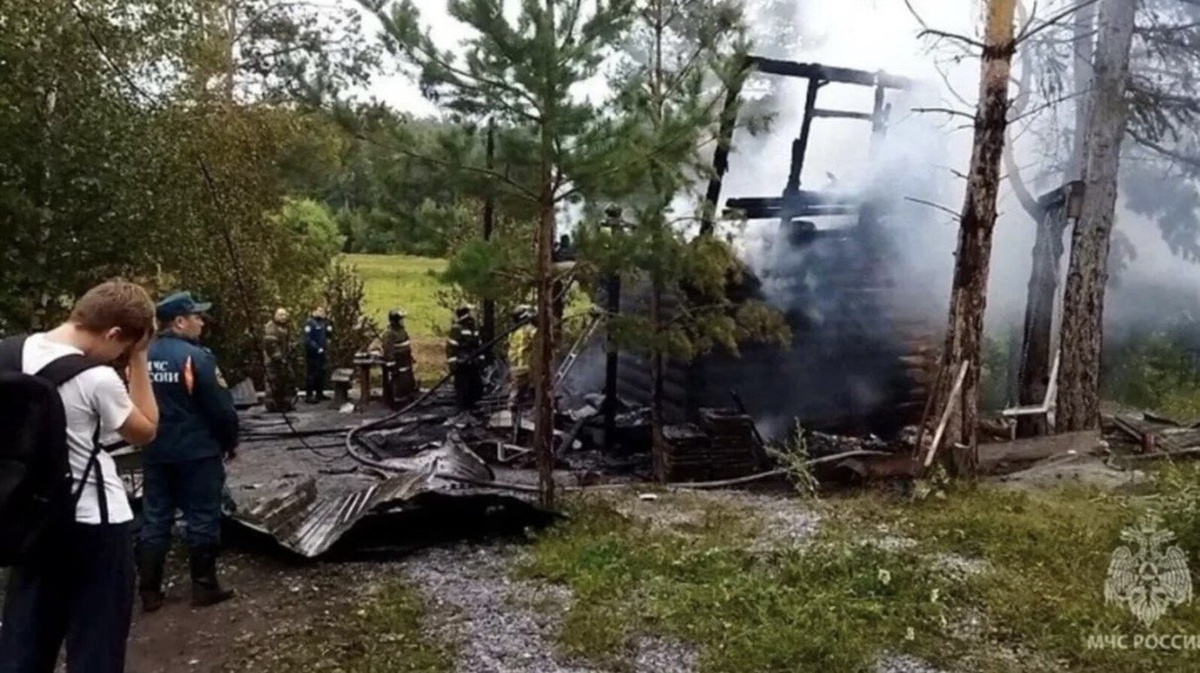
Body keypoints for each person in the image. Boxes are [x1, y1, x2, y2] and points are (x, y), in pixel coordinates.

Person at [0, 280, 159, 673]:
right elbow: (146, 430)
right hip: (95, 524)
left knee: (25, 640)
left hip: (27, 520)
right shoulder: (95, 378)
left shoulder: (6, 354)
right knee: (97, 642)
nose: (117, 356)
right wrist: (138, 361)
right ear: (114, 333)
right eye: (121, 348)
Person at [136, 291, 239, 613]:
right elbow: (221, 409)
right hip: (197, 452)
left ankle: (149, 592)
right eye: (196, 316)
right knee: (203, 516)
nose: (201, 322)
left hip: (155, 450)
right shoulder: (197, 358)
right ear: (179, 322)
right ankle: (204, 586)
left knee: (155, 518)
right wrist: (229, 442)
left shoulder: (143, 356)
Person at [506, 305, 537, 446]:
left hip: (515, 371)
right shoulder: (530, 330)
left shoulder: (513, 333)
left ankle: (514, 431)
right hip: (528, 370)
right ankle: (529, 432)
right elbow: (545, 341)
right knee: (533, 399)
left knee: (515, 401)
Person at [446, 305, 483, 409]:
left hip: (473, 364)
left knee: (477, 388)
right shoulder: (457, 329)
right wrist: (454, 363)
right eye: (471, 312)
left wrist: (480, 359)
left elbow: (479, 345)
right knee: (463, 390)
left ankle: (472, 409)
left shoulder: (474, 328)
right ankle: (462, 412)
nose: (473, 314)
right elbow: (451, 348)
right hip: (462, 366)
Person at [262, 307, 294, 412]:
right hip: (273, 361)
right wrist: (278, 357)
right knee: (273, 382)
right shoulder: (270, 327)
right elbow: (270, 344)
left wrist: (292, 348)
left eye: (285, 315)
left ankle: (285, 404)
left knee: (287, 380)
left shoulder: (286, 327)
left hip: (284, 359)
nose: (283, 317)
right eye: (280, 314)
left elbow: (289, 342)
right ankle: (271, 405)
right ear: (275, 315)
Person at [381, 309, 416, 405]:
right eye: (400, 319)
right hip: (398, 362)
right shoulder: (389, 333)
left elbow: (406, 345)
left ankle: (406, 397)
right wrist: (392, 364)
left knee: (407, 381)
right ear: (395, 321)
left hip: (405, 360)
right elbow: (389, 350)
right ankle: (397, 401)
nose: (402, 321)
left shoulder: (402, 331)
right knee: (398, 382)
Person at [302, 306, 331, 404]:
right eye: (320, 311)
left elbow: (328, 336)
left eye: (323, 311)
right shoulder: (310, 323)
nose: (322, 312)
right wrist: (317, 348)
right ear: (314, 311)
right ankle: (309, 395)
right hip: (312, 353)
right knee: (311, 374)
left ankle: (319, 393)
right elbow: (307, 339)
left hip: (322, 352)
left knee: (321, 373)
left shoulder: (324, 323)